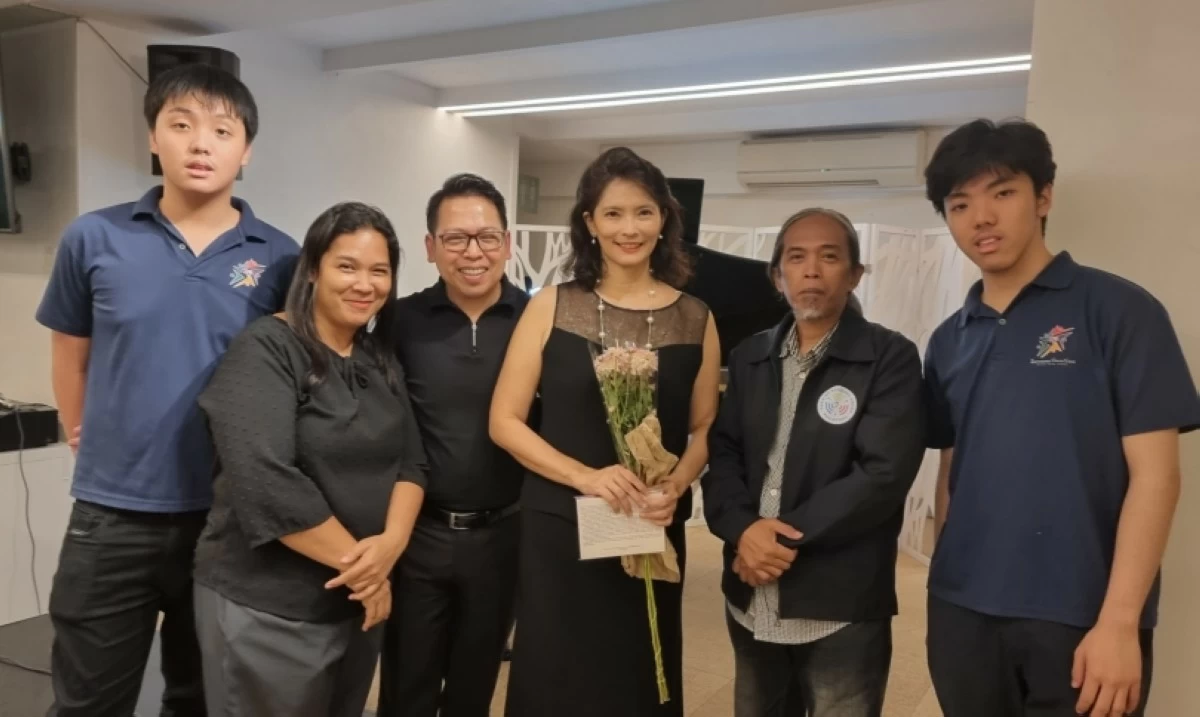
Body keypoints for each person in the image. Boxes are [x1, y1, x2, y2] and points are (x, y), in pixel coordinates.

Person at [34, 63, 296, 717]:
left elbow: (287, 376)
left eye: (221, 129)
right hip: (110, 516)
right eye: (181, 125)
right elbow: (71, 354)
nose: (200, 143)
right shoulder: (94, 237)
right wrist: (84, 431)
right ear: (154, 137)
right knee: (88, 700)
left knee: (203, 697)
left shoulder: (281, 256)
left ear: (247, 149)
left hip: (225, 518)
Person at [922, 119, 1200, 717]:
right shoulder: (948, 340)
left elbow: (1157, 477)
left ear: (1043, 196)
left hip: (1082, 615)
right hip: (962, 611)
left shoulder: (1120, 310)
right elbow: (951, 468)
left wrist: (1121, 623)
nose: (982, 218)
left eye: (1003, 193)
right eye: (960, 203)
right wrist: (943, 580)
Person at [490, 146, 722, 716]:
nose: (629, 228)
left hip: (648, 525)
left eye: (643, 212)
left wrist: (675, 486)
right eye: (613, 213)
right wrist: (587, 477)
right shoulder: (551, 305)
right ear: (589, 223)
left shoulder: (696, 317)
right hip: (560, 528)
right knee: (558, 674)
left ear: (663, 219)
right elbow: (504, 421)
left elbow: (704, 427)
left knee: (639, 672)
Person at [192, 201, 427, 716]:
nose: (365, 284)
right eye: (347, 266)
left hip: (355, 604)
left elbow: (413, 463)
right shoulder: (267, 348)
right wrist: (367, 574)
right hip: (271, 605)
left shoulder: (377, 358)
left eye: (379, 271)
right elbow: (265, 481)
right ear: (314, 269)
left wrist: (390, 545)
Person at [702, 208, 925, 717]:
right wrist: (742, 530)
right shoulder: (749, 355)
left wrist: (772, 540)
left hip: (838, 600)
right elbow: (724, 453)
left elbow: (881, 474)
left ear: (855, 274)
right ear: (776, 276)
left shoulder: (889, 357)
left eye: (830, 257)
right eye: (796, 258)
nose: (811, 271)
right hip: (750, 590)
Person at [377, 173, 527, 717]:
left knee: (475, 684)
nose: (473, 252)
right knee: (406, 685)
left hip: (504, 536)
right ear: (430, 247)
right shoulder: (400, 321)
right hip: (417, 535)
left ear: (508, 244)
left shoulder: (537, 322)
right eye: (455, 238)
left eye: (487, 237)